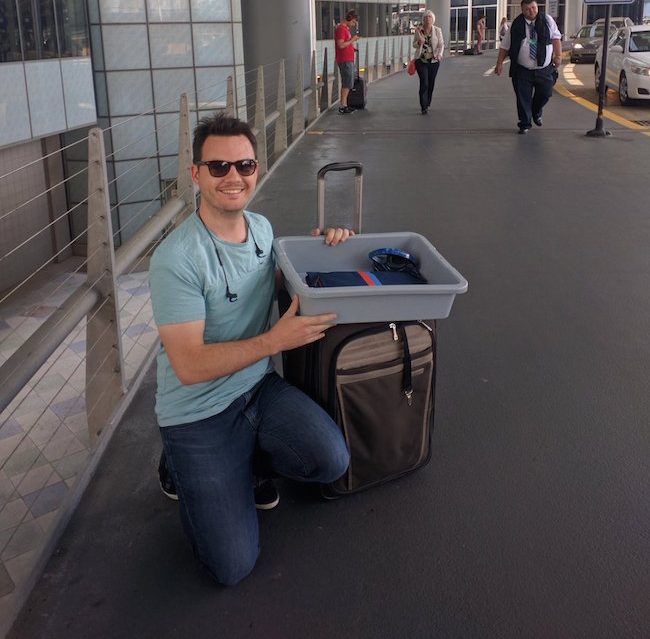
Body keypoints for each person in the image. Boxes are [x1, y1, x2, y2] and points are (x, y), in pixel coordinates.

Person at [149, 113, 353, 586]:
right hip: (197, 412)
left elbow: (280, 281)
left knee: (331, 461)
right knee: (232, 566)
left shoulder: (261, 228)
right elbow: (189, 366)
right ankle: (178, 465)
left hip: (257, 388)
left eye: (244, 164)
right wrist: (274, 342)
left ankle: (247, 461)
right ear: (195, 173)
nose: (233, 176)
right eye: (218, 167)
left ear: (256, 169)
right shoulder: (176, 259)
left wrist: (329, 245)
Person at [494, 0, 562, 134]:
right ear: (522, 10)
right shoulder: (516, 24)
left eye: (533, 8)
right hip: (522, 69)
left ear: (537, 7)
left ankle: (536, 112)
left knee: (546, 93)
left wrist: (558, 55)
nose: (531, 11)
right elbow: (505, 46)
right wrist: (499, 63)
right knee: (523, 97)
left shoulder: (547, 20)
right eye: (527, 9)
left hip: (544, 68)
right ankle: (525, 123)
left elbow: (556, 37)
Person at [413, 10, 444, 115]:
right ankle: (423, 106)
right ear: (423, 20)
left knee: (431, 83)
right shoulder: (419, 31)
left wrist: (440, 54)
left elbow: (441, 44)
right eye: (426, 18)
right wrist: (418, 42)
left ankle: (428, 102)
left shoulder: (437, 30)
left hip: (434, 61)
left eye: (430, 18)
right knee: (424, 83)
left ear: (433, 19)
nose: (428, 20)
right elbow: (414, 44)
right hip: (421, 60)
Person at [335, 9, 360, 114]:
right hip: (344, 60)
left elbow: (345, 44)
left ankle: (344, 104)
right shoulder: (341, 29)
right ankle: (343, 105)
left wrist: (352, 48)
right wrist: (353, 40)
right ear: (350, 19)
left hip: (348, 58)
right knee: (347, 82)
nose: (354, 25)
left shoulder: (345, 29)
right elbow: (340, 45)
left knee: (349, 81)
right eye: (354, 22)